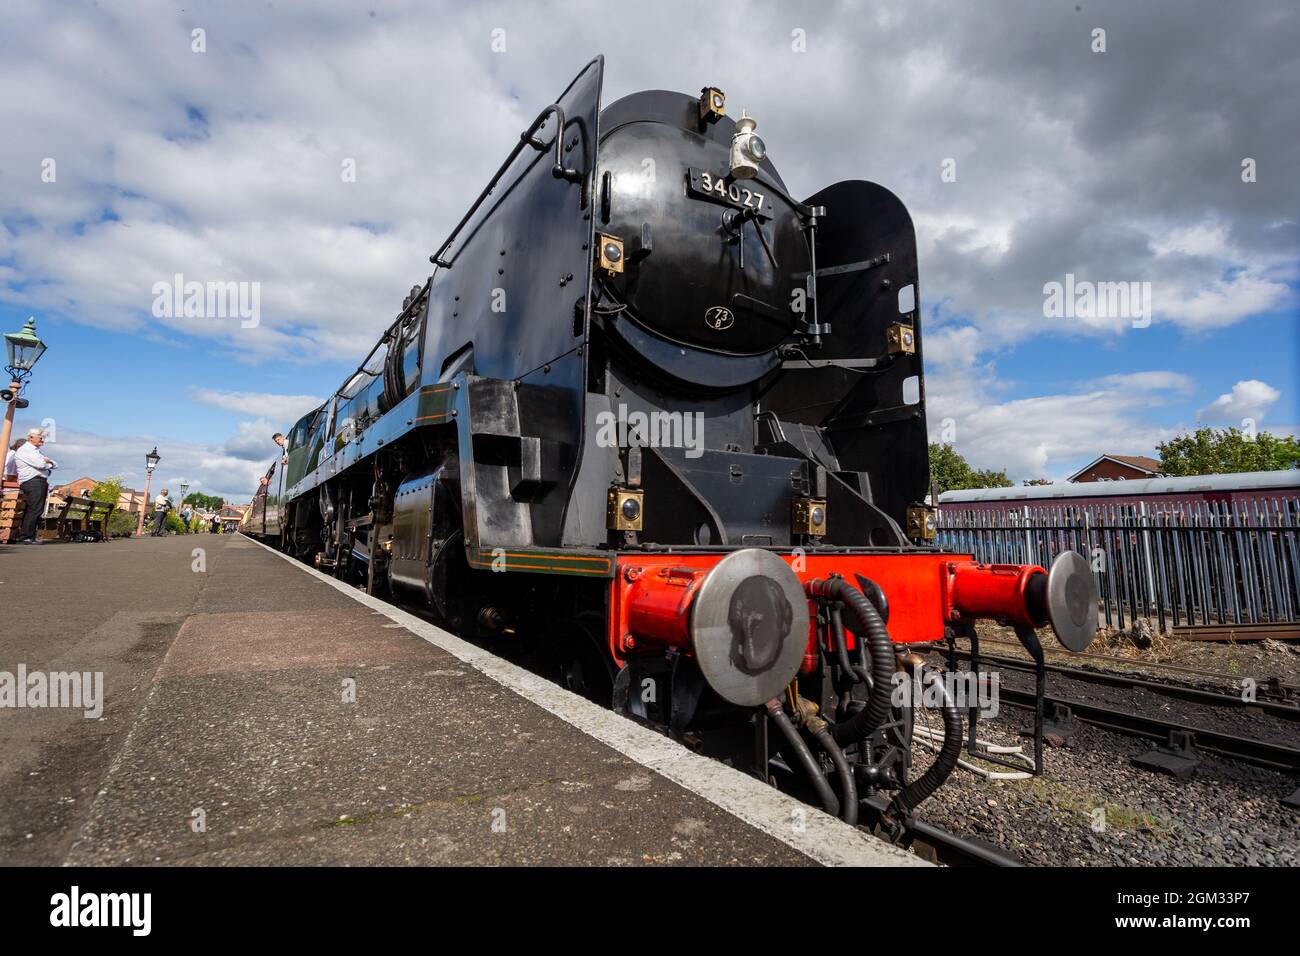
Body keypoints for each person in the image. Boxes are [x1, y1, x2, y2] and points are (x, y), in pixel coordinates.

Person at [14, 428, 57, 544]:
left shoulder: (36, 451)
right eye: (40, 438)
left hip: (38, 481)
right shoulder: (26, 450)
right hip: (32, 481)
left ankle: (30, 536)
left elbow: (54, 464)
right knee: (35, 509)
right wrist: (47, 463)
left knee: (36, 509)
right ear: (31, 437)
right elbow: (40, 464)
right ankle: (26, 536)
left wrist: (48, 463)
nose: (43, 441)